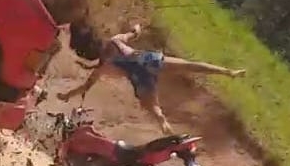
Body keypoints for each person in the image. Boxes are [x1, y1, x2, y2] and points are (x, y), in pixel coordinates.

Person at [56, 19, 245, 134]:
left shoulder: (101, 67)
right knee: (189, 65)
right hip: (146, 60)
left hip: (138, 76)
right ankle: (228, 72)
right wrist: (137, 26)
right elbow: (134, 33)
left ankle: (163, 122)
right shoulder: (115, 40)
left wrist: (66, 95)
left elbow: (84, 87)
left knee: (154, 108)